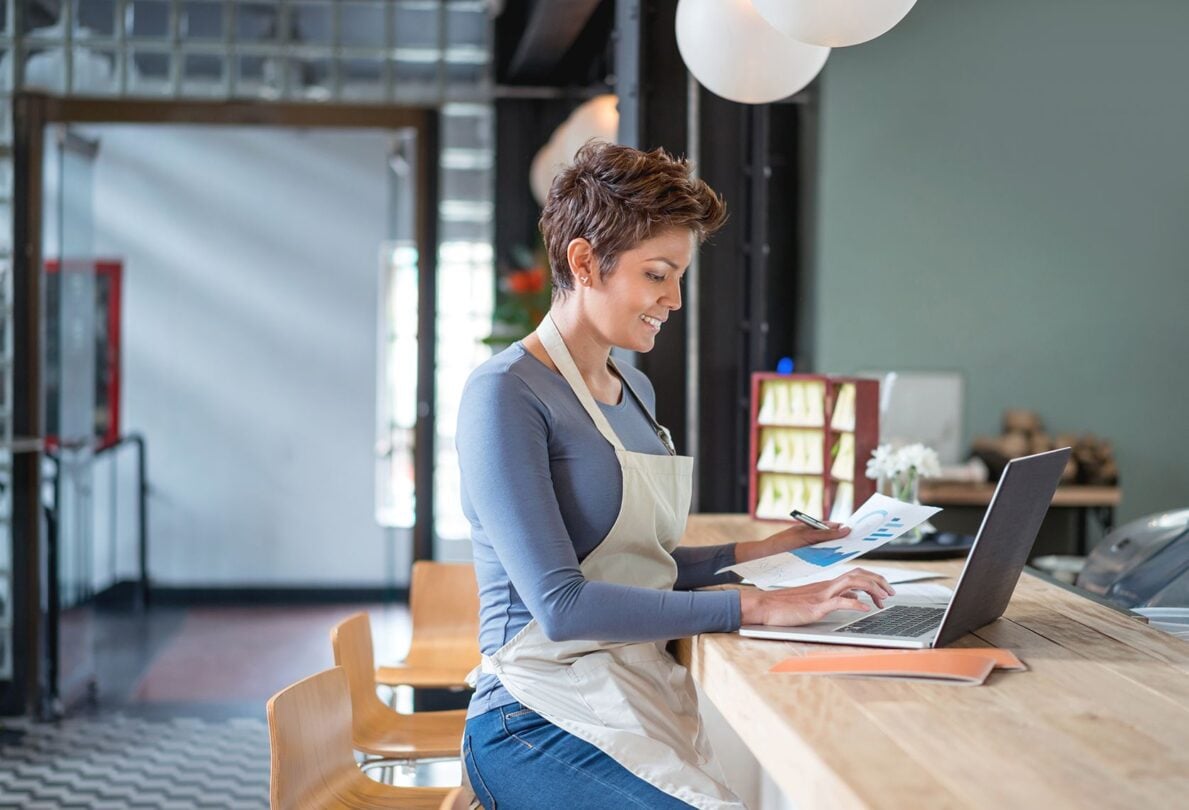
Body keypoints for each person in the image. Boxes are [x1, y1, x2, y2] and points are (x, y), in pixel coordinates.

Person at [456, 142, 894, 809]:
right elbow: (563, 605)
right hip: (531, 714)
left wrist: (760, 555)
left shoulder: (632, 390)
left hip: (631, 684)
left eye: (678, 276)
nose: (675, 299)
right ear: (583, 262)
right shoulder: (505, 394)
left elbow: (636, 566)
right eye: (657, 274)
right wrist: (760, 603)